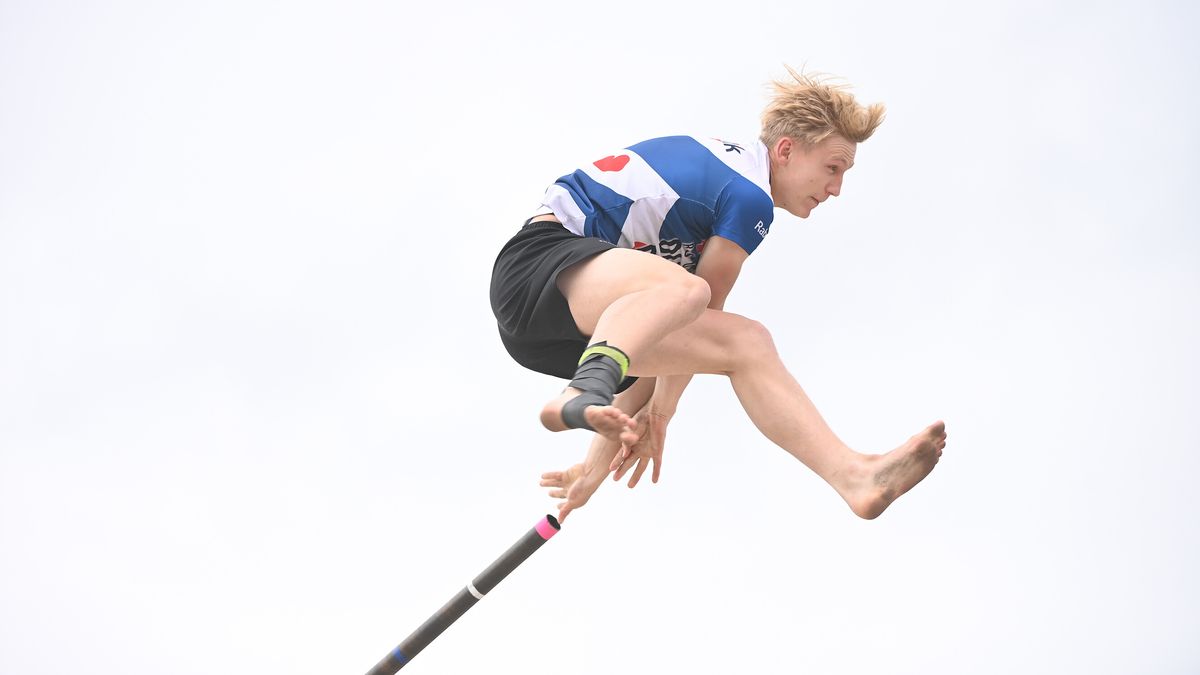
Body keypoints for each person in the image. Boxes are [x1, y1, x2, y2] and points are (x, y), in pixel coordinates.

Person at [489, 67, 947, 523]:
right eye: (832, 168)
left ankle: (855, 477)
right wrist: (662, 414)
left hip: (560, 323)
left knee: (746, 342)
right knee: (690, 293)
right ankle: (582, 390)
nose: (836, 189)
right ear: (786, 150)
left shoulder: (717, 197)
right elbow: (700, 305)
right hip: (538, 268)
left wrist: (589, 473)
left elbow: (652, 332)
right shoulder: (746, 194)